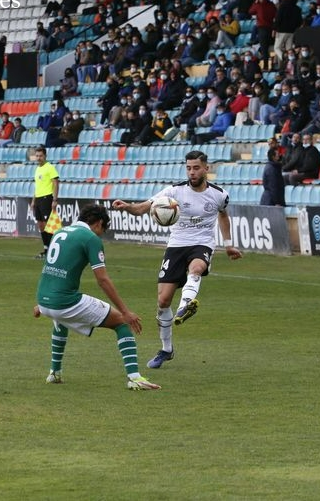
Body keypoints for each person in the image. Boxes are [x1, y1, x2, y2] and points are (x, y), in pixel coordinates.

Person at [112, 150, 243, 369]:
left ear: (206, 168)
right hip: (176, 246)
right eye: (188, 168)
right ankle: (166, 349)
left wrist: (228, 244)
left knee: (196, 268)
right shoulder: (173, 192)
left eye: (196, 168)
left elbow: (223, 215)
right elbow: (144, 207)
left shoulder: (219, 195)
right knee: (163, 301)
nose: (192, 172)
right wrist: (127, 207)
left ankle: (185, 306)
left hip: (202, 243)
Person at [35, 204, 160, 390]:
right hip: (63, 302)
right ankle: (135, 378)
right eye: (103, 230)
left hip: (45, 299)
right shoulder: (90, 238)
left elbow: (50, 270)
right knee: (121, 322)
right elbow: (102, 280)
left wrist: (41, 304)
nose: (101, 235)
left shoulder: (60, 232)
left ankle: (54, 373)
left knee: (61, 320)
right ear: (99, 223)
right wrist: (125, 312)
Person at [31, 146, 60, 259]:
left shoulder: (50, 167)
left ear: (45, 156)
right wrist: (33, 200)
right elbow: (37, 186)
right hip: (38, 199)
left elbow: (56, 183)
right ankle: (46, 249)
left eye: (41, 156)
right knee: (40, 225)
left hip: (46, 198)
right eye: (37, 156)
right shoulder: (38, 169)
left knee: (48, 225)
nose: (39, 158)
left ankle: (53, 250)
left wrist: (55, 199)